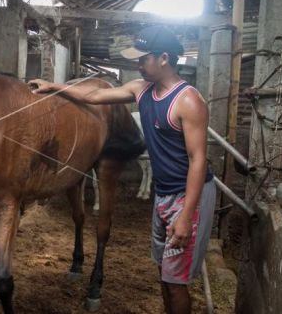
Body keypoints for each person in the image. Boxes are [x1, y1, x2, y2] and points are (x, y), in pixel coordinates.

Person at [29, 26, 216, 314]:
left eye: (143, 59)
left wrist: (186, 216)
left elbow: (198, 160)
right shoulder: (140, 90)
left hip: (189, 195)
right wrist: (54, 87)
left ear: (164, 58)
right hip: (164, 193)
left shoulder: (188, 101)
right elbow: (93, 96)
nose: (137, 65)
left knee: (176, 281)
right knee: (165, 275)